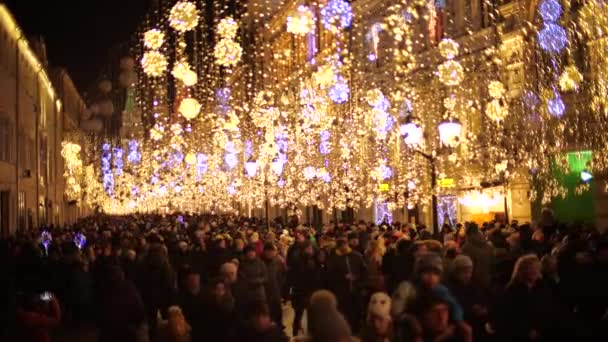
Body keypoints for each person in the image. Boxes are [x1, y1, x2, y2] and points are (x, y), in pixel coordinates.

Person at [491, 254, 554, 341]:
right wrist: (527, 330)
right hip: (519, 333)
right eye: (530, 268)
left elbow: (547, 309)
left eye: (536, 268)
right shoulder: (513, 289)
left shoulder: (543, 287)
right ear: (522, 270)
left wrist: (540, 328)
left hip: (541, 330)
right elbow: (510, 315)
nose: (534, 271)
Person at [445, 255, 489, 341]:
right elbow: (452, 307)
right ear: (455, 272)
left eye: (470, 272)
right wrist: (471, 309)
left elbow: (487, 297)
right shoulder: (448, 286)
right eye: (464, 272)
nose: (468, 275)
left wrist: (485, 308)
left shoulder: (476, 283)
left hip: (478, 322)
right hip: (460, 324)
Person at [328, 237, 368, 333]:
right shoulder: (334, 259)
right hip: (342, 292)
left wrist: (359, 281)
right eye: (341, 246)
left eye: (345, 245)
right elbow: (330, 276)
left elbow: (364, 272)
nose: (344, 247)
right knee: (344, 314)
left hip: (356, 290)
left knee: (356, 313)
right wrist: (343, 277)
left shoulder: (356, 256)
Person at [97, 265, 147, 342]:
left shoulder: (103, 291)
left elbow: (99, 314)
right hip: (127, 331)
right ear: (122, 275)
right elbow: (139, 309)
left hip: (108, 333)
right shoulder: (129, 288)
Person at [461, 224, 494, 290]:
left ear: (468, 234)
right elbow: (492, 263)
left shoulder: (467, 247)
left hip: (474, 283)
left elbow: (466, 268)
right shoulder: (488, 245)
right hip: (487, 279)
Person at [262, 242, 286, 327]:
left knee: (277, 309)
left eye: (272, 251)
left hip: (276, 290)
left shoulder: (278, 261)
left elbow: (282, 275)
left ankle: (278, 325)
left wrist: (281, 289)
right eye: (268, 251)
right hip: (265, 291)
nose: (270, 253)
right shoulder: (261, 262)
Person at [238, 243, 268, 308]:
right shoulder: (243, 265)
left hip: (259, 294)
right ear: (245, 254)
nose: (251, 253)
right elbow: (242, 278)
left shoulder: (260, 263)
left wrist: (258, 281)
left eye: (252, 251)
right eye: (249, 252)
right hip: (248, 294)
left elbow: (265, 277)